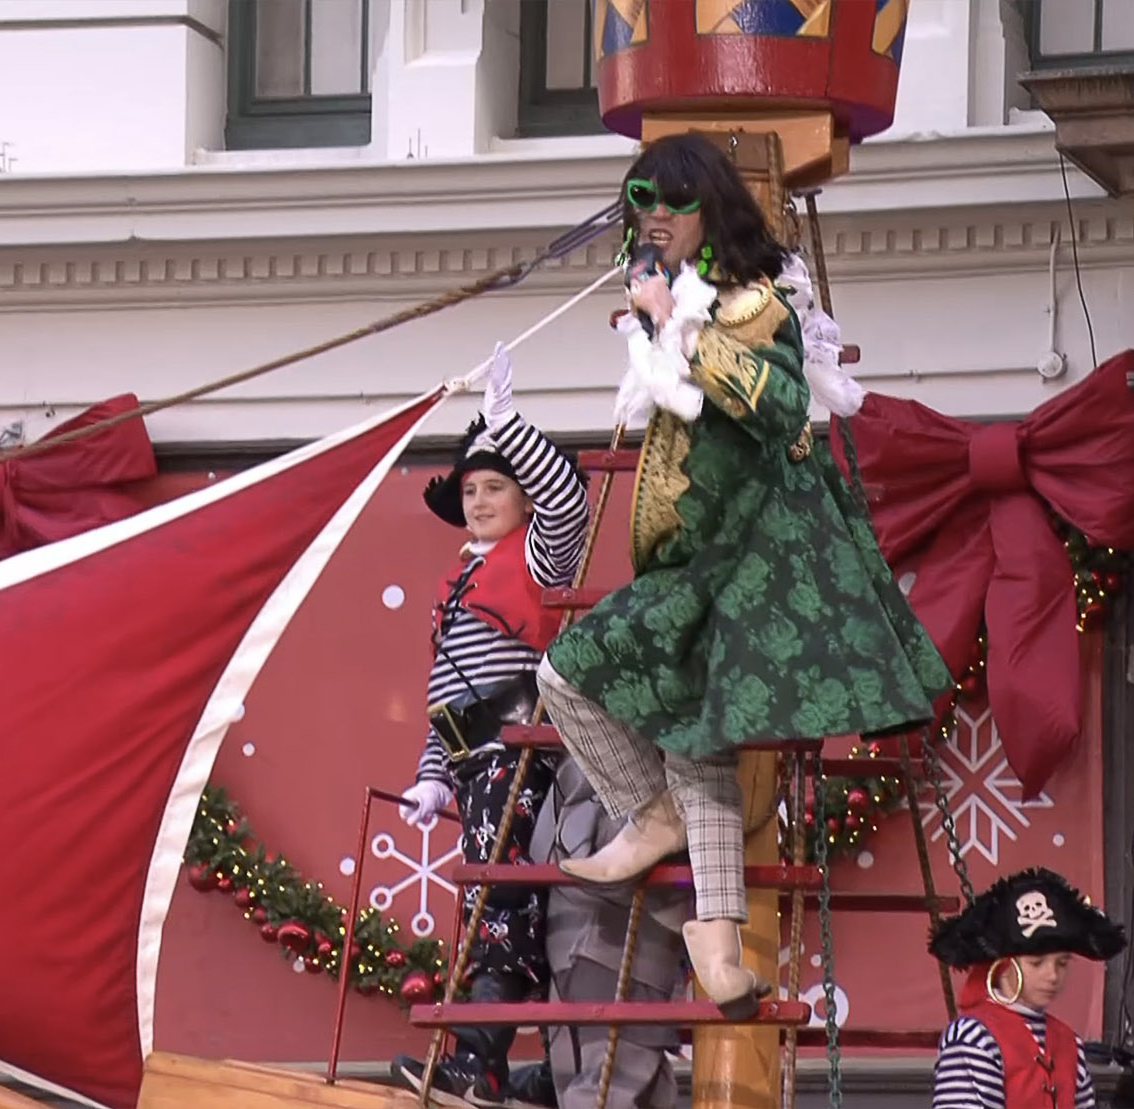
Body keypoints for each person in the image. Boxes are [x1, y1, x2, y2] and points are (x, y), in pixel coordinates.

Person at [533, 132, 951, 1014]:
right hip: (695, 562)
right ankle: (717, 951)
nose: (650, 215)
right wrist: (664, 323)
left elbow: (782, 403)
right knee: (693, 742)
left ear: (709, 210)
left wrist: (679, 330)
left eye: (669, 200)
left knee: (567, 672)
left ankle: (653, 822)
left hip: (744, 563)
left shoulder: (758, 306)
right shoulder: (677, 311)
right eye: (639, 198)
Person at [389, 343, 589, 1108]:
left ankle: (479, 1058)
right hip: (476, 763)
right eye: (470, 488)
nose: (477, 501)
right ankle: (497, 1067)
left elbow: (570, 502)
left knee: (504, 904)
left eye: (494, 486)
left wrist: (512, 422)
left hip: (522, 757)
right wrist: (433, 772)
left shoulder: (539, 555)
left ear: (523, 495)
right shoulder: (458, 579)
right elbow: (448, 690)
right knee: (486, 905)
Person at [531, 759, 684, 1108]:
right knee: (599, 1078)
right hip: (583, 929)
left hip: (622, 934)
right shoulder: (586, 757)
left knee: (611, 1079)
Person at [926, 868, 1127, 1109]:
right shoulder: (973, 1037)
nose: (1053, 975)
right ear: (1004, 965)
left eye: (1062, 963)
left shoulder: (1069, 1042)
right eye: (1036, 963)